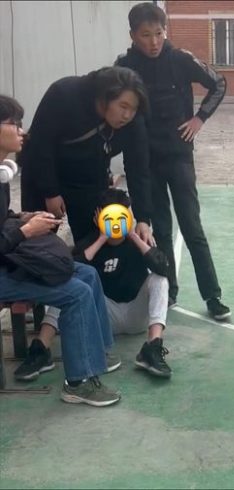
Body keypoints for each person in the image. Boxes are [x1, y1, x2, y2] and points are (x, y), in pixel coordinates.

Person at [0, 94, 120, 406]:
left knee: (87, 274)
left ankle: (97, 355)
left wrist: (20, 217)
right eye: (14, 124)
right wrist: (26, 231)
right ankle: (78, 382)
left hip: (8, 261)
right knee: (75, 293)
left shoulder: (1, 175)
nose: (22, 132)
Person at [115, 2, 231, 320]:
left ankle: (213, 296)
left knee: (192, 227)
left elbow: (219, 83)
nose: (154, 42)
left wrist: (199, 118)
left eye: (159, 33)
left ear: (165, 31)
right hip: (144, 161)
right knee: (161, 230)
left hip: (179, 156)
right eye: (146, 35)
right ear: (133, 35)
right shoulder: (125, 66)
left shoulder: (180, 59)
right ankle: (169, 292)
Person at [16, 188, 173, 380]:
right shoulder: (90, 243)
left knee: (159, 280)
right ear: (99, 216)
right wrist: (102, 238)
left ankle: (153, 347)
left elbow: (164, 269)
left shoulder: (140, 240)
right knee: (68, 289)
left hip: (136, 314)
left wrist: (132, 234)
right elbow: (69, 271)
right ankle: (41, 349)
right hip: (103, 318)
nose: (115, 222)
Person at [19, 66, 154, 245]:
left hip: (89, 177)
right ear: (105, 97)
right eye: (123, 106)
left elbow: (138, 168)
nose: (127, 115)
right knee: (38, 243)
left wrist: (143, 218)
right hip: (44, 170)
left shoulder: (133, 121)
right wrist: (50, 192)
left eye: (133, 109)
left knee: (94, 241)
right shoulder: (64, 94)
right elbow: (40, 144)